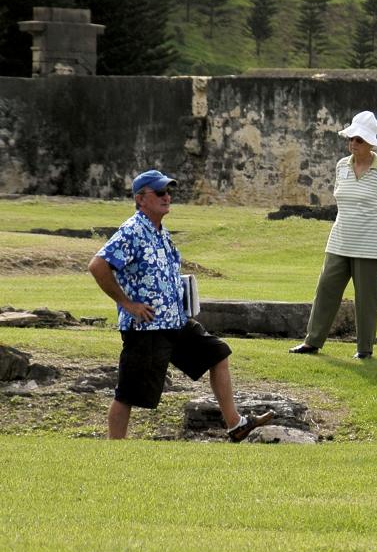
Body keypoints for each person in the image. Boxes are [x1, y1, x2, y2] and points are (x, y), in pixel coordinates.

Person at [88, 170, 275, 441]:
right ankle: (115, 448)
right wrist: (127, 304)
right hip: (147, 327)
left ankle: (235, 424)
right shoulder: (132, 231)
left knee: (218, 354)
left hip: (176, 322)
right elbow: (97, 266)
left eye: (168, 192)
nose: (167, 197)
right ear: (141, 199)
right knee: (128, 393)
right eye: (160, 193)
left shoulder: (162, 233)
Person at [289, 111, 377, 358]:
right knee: (326, 289)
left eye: (359, 139)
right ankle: (313, 341)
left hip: (371, 245)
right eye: (351, 138)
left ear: (370, 143)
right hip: (340, 239)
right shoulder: (342, 166)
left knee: (366, 299)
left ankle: (364, 348)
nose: (353, 143)